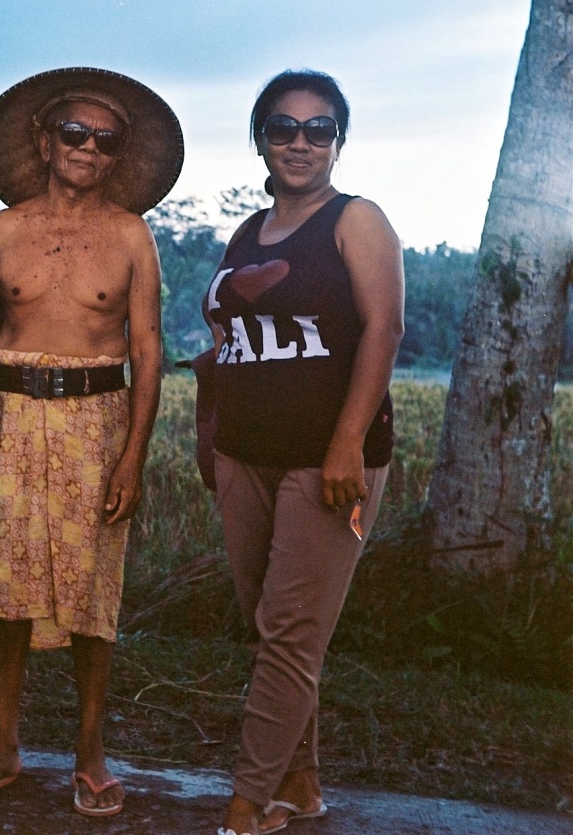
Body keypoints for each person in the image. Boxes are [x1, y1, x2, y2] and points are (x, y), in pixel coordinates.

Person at [0, 67, 182, 818]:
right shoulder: (4, 231)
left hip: (95, 425)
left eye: (105, 140)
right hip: (7, 422)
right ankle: (4, 745)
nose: (88, 148)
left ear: (117, 157)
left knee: (89, 596)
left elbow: (148, 350)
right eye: (74, 133)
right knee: (2, 591)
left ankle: (89, 750)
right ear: (45, 142)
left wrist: (133, 456)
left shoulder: (131, 237)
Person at [202, 70, 404, 835]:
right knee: (276, 624)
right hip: (244, 455)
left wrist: (347, 443)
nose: (299, 142)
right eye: (283, 127)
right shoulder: (246, 233)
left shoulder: (357, 221)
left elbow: (383, 331)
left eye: (318, 130)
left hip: (327, 462)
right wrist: (208, 437)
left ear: (339, 142)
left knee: (289, 632)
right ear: (261, 137)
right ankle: (303, 786)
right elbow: (226, 343)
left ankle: (247, 805)